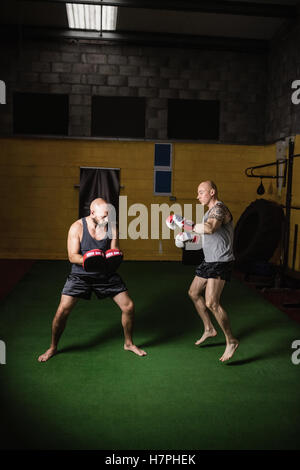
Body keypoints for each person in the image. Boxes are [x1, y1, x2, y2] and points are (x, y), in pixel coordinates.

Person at [38, 198, 147, 362]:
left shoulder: (112, 227)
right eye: (103, 216)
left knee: (129, 307)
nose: (106, 220)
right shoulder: (77, 227)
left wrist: (114, 255)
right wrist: (89, 260)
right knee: (62, 311)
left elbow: (114, 249)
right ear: (92, 213)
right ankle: (53, 347)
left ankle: (129, 343)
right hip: (80, 275)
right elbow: (72, 256)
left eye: (108, 216)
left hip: (104, 273)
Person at [172, 181, 239, 362]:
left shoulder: (220, 209)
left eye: (201, 192)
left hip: (221, 261)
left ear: (212, 192)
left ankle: (231, 341)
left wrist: (185, 224)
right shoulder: (208, 213)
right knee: (193, 293)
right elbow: (206, 238)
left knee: (212, 303)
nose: (198, 196)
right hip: (209, 261)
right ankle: (209, 328)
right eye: (198, 192)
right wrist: (187, 237)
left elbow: (209, 229)